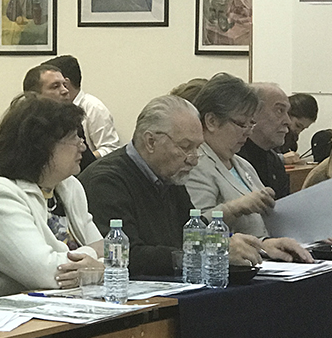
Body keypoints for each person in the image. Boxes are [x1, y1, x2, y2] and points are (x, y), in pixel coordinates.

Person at [80, 95, 306, 277]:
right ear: (151, 142)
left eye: (197, 148)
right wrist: (209, 253)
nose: (194, 159)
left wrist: (261, 246)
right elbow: (126, 254)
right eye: (186, 147)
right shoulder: (106, 180)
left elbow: (191, 233)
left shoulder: (170, 175)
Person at [0, 93, 104, 303]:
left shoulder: (69, 186)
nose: (82, 146)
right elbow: (47, 273)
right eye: (72, 138)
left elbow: (112, 257)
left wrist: (96, 265)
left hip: (59, 307)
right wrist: (94, 259)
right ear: (42, 146)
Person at [184, 74, 311, 263]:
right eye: (241, 124)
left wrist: (306, 235)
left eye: (251, 123)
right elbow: (194, 228)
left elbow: (261, 225)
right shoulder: (196, 164)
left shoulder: (242, 164)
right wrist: (235, 207)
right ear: (211, 121)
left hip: (260, 260)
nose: (247, 132)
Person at [23, 63, 97, 171]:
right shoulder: (23, 128)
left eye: (65, 85)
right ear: (34, 95)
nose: (65, 91)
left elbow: (89, 166)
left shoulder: (71, 123)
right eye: (55, 86)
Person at [50, 54, 121, 157]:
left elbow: (111, 148)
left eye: (55, 85)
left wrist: (84, 160)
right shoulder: (53, 111)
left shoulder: (93, 107)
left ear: (65, 84)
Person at [238, 82, 292, 199]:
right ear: (253, 112)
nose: (288, 121)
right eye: (279, 111)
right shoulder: (233, 156)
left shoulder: (275, 162)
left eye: (287, 112)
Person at [278, 92, 318, 163]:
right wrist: (281, 158)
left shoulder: (291, 137)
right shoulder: (267, 129)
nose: (298, 131)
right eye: (298, 125)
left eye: (303, 129)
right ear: (287, 114)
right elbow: (259, 157)